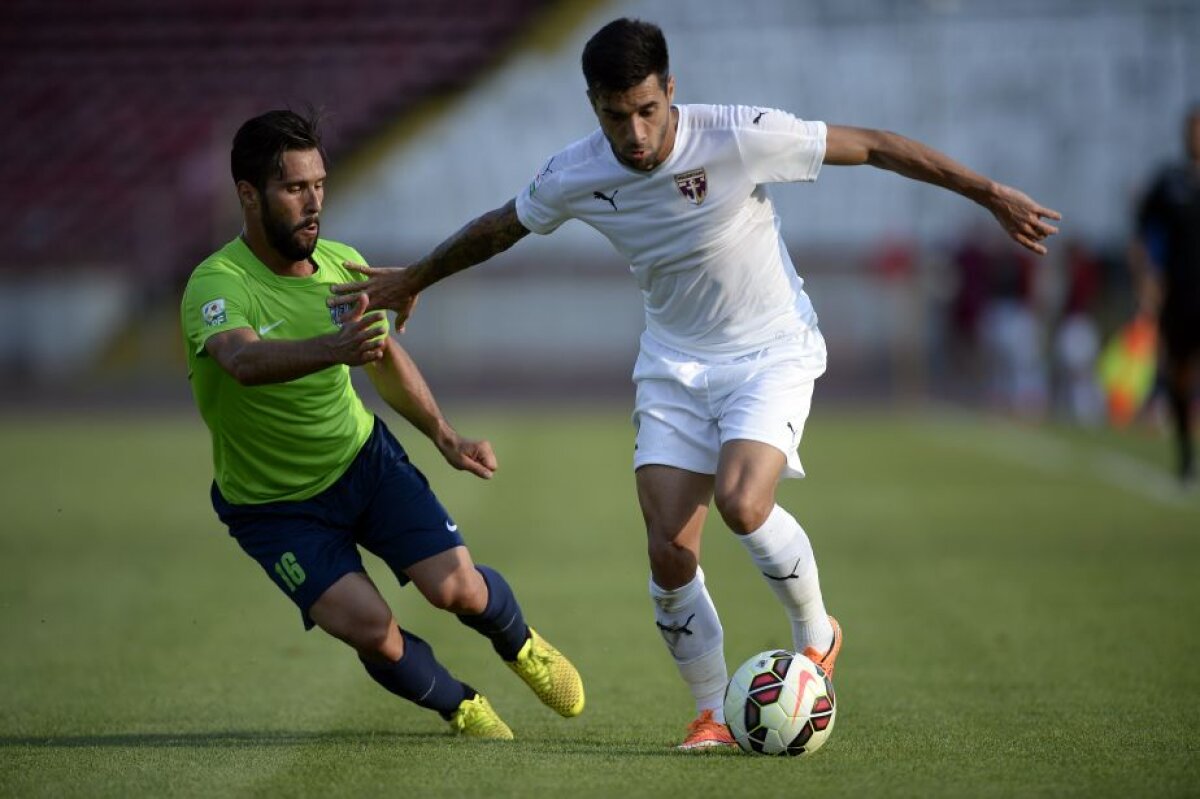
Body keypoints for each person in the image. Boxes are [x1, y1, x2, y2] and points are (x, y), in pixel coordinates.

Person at [330, 19, 1061, 749]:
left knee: (744, 502)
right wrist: (414, 277)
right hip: (673, 365)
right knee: (669, 551)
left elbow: (872, 145)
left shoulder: (737, 135)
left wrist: (987, 192)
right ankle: (713, 713)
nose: (635, 133)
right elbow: (500, 227)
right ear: (594, 106)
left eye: (647, 110)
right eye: (616, 116)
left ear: (671, 90)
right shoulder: (575, 172)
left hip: (770, 350)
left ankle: (817, 634)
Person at [180, 109, 585, 740]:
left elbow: (385, 359)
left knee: (455, 589)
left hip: (363, 464)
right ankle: (460, 704)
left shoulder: (343, 266)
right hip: (273, 507)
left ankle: (519, 641)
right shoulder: (218, 282)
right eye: (294, 188)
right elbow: (241, 361)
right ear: (249, 195)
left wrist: (444, 435)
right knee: (372, 629)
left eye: (320, 184)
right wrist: (334, 348)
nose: (314, 202)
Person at [1129, 105, 1200, 485]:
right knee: (1180, 372)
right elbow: (1141, 232)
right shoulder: (1170, 182)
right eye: (1192, 129)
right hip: (1182, 294)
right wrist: (1147, 280)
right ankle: (1186, 456)